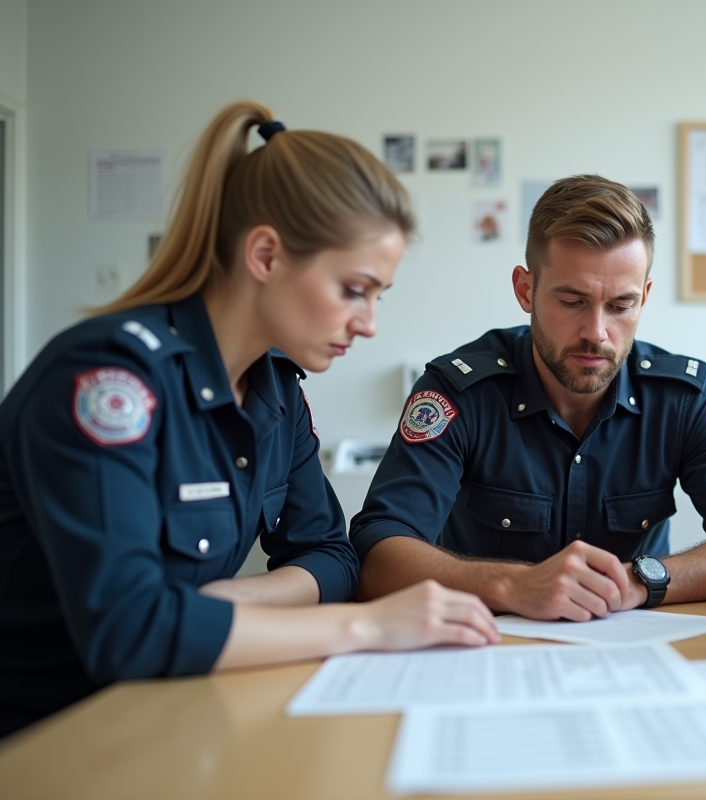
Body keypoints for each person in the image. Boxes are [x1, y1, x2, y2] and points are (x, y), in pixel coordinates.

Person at [0, 101, 498, 738]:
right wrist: (369, 626)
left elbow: (330, 556)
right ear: (265, 255)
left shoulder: (274, 390)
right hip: (49, 732)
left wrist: (220, 603)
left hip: (167, 708)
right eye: (353, 289)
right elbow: (127, 630)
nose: (369, 323)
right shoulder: (107, 380)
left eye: (379, 295)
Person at [352, 175, 706, 620]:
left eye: (621, 306)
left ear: (644, 297)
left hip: (635, 651)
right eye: (572, 301)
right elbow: (378, 554)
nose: (597, 333)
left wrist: (636, 583)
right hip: (485, 648)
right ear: (526, 290)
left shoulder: (682, 399)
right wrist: (515, 585)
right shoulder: (459, 393)